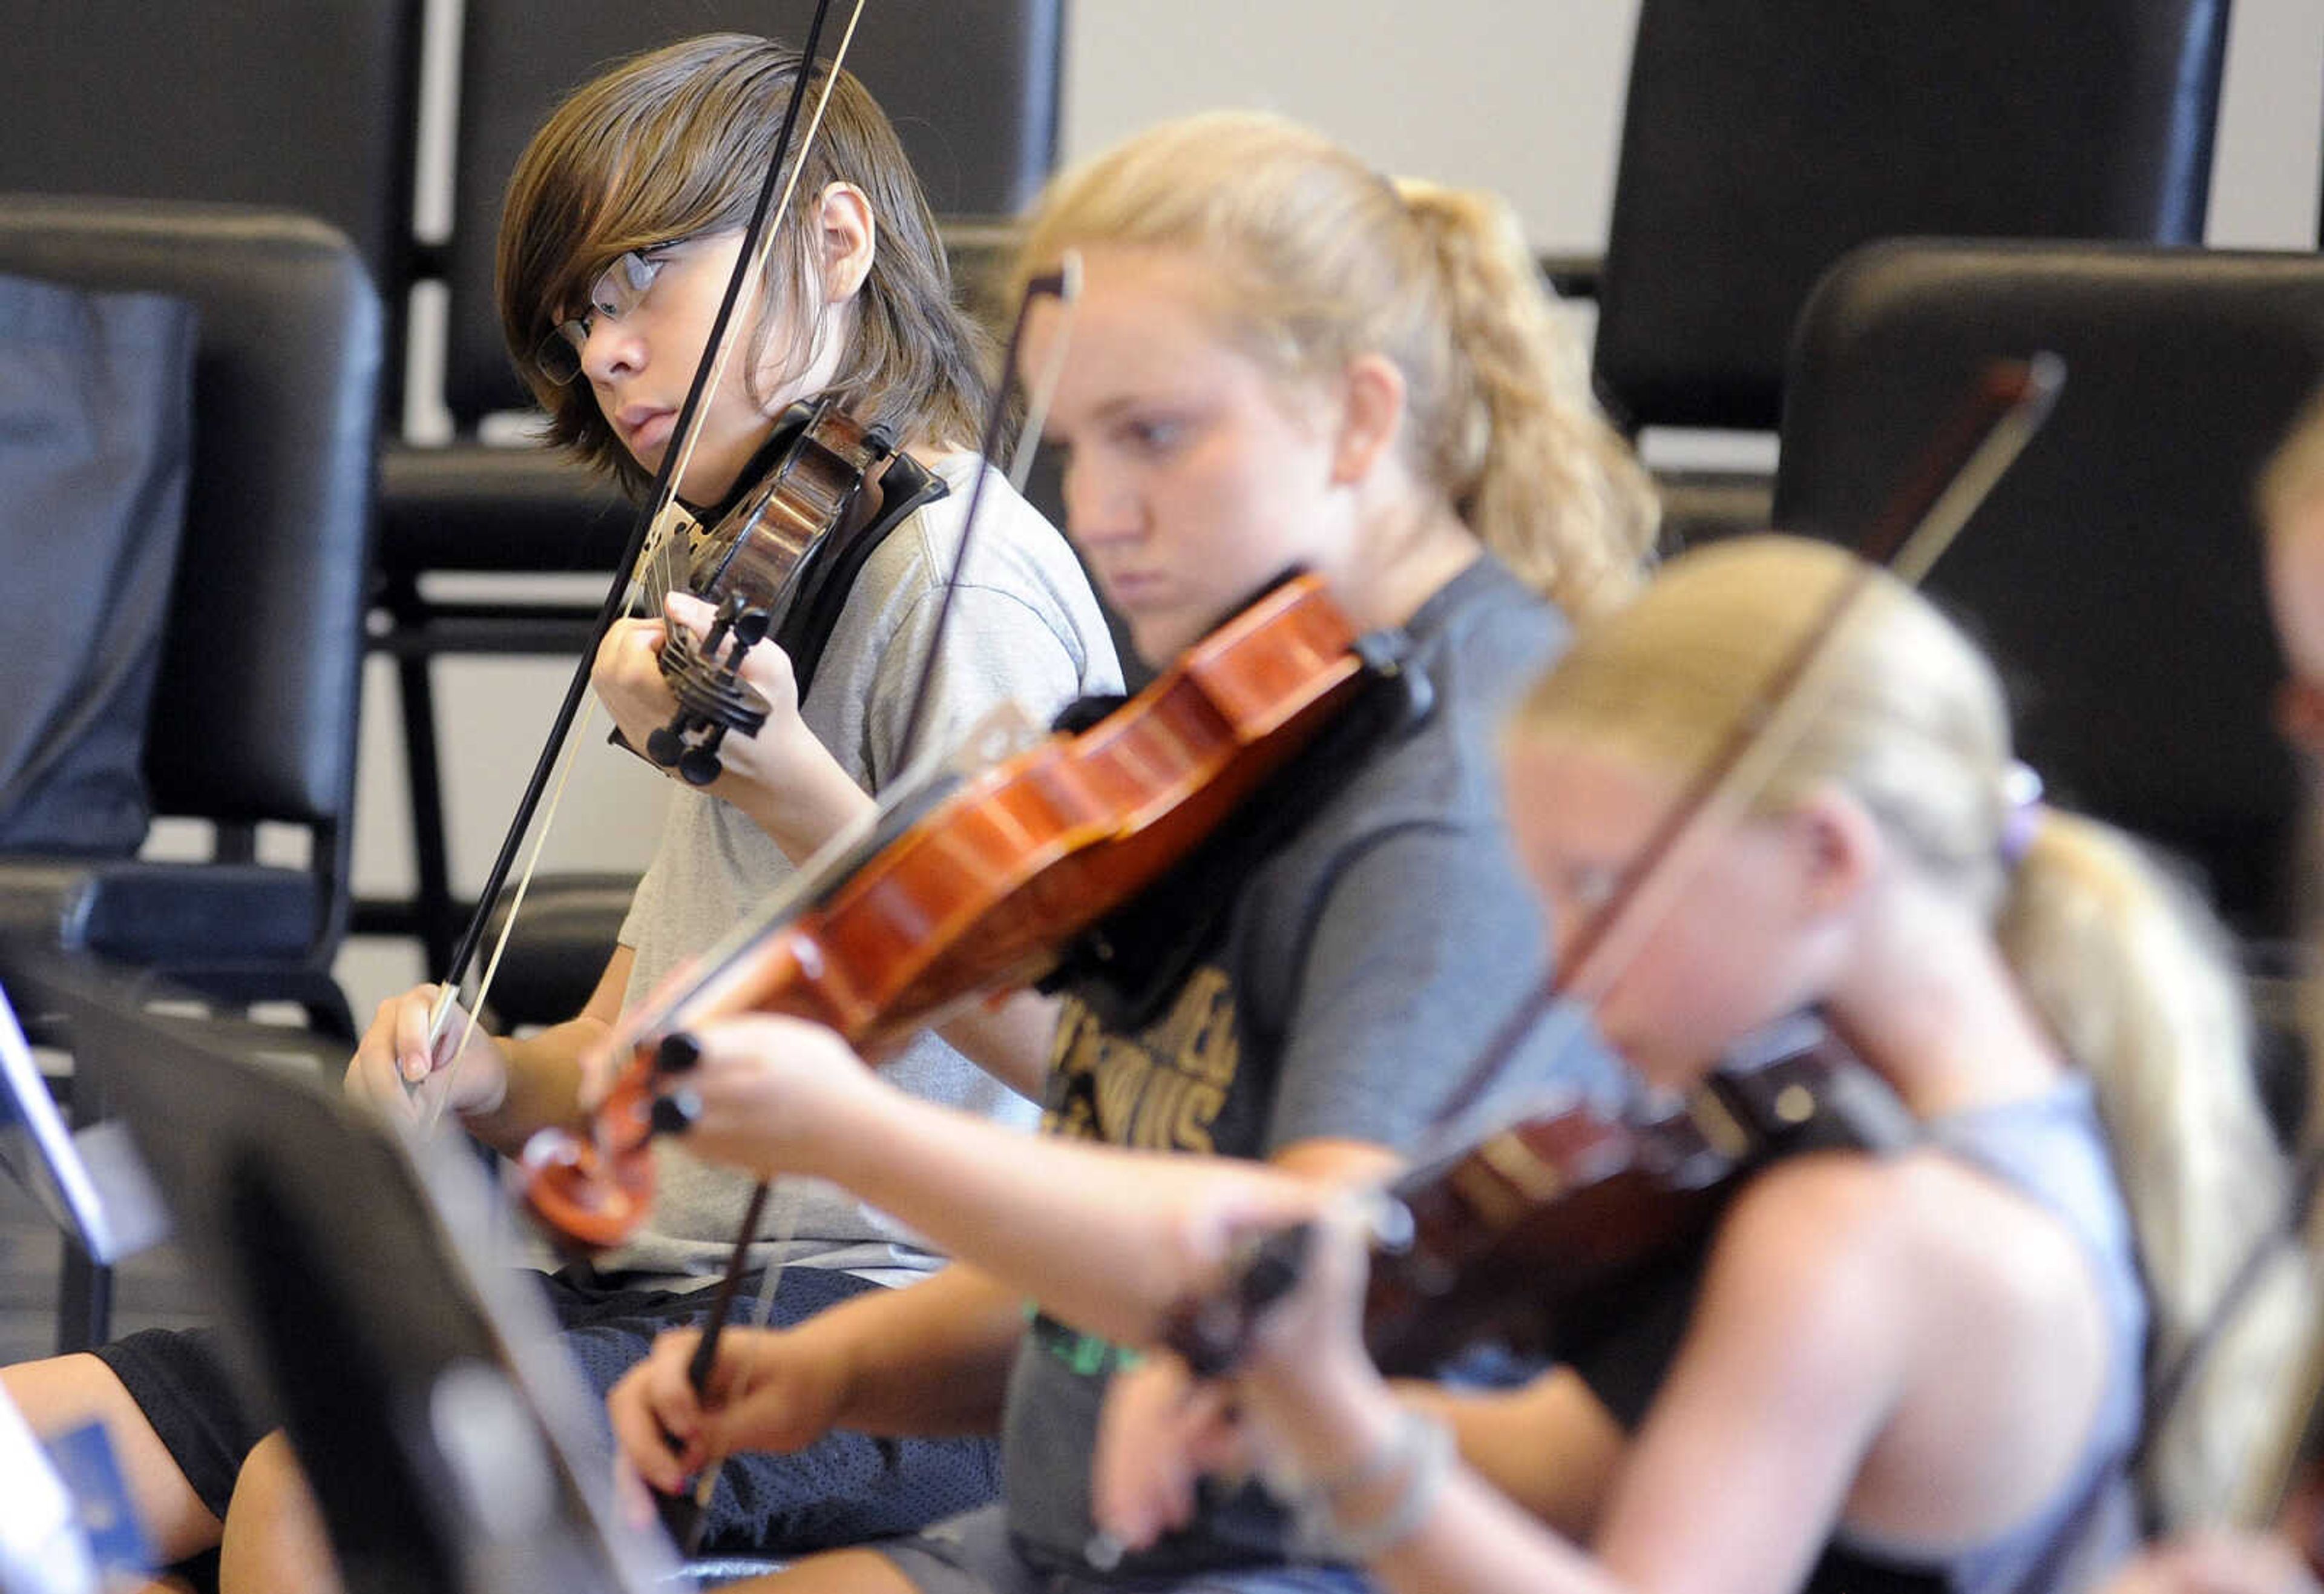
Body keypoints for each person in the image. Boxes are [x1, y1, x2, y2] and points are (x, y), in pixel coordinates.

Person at [0, 31, 1120, 1592]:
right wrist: (479, 1079)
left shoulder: (961, 582)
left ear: (834, 242)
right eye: (577, 316)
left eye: (642, 282)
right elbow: (613, 1052)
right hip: (617, 1279)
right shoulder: (737, 560)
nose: (601, 351)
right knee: (26, 1481)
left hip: (882, 1324)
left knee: (317, 1505)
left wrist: (798, 787)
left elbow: (1079, 1048)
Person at [592, 108, 1661, 1594]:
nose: (1098, 512)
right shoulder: (1254, 710)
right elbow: (1126, 1212)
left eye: (1156, 434)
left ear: (1360, 421)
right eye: (1078, 442)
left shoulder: (1462, 791)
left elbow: (1298, 1270)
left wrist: (851, 1131)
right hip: (1079, 1528)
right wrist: (830, 1373)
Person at [1082, 534, 2301, 1594]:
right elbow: (1583, 1460)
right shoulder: (2028, 1113)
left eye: (1602, 890)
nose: (1565, 967)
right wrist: (1277, 1403)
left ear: (1827, 857)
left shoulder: (1862, 1230)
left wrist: (1340, 1431)